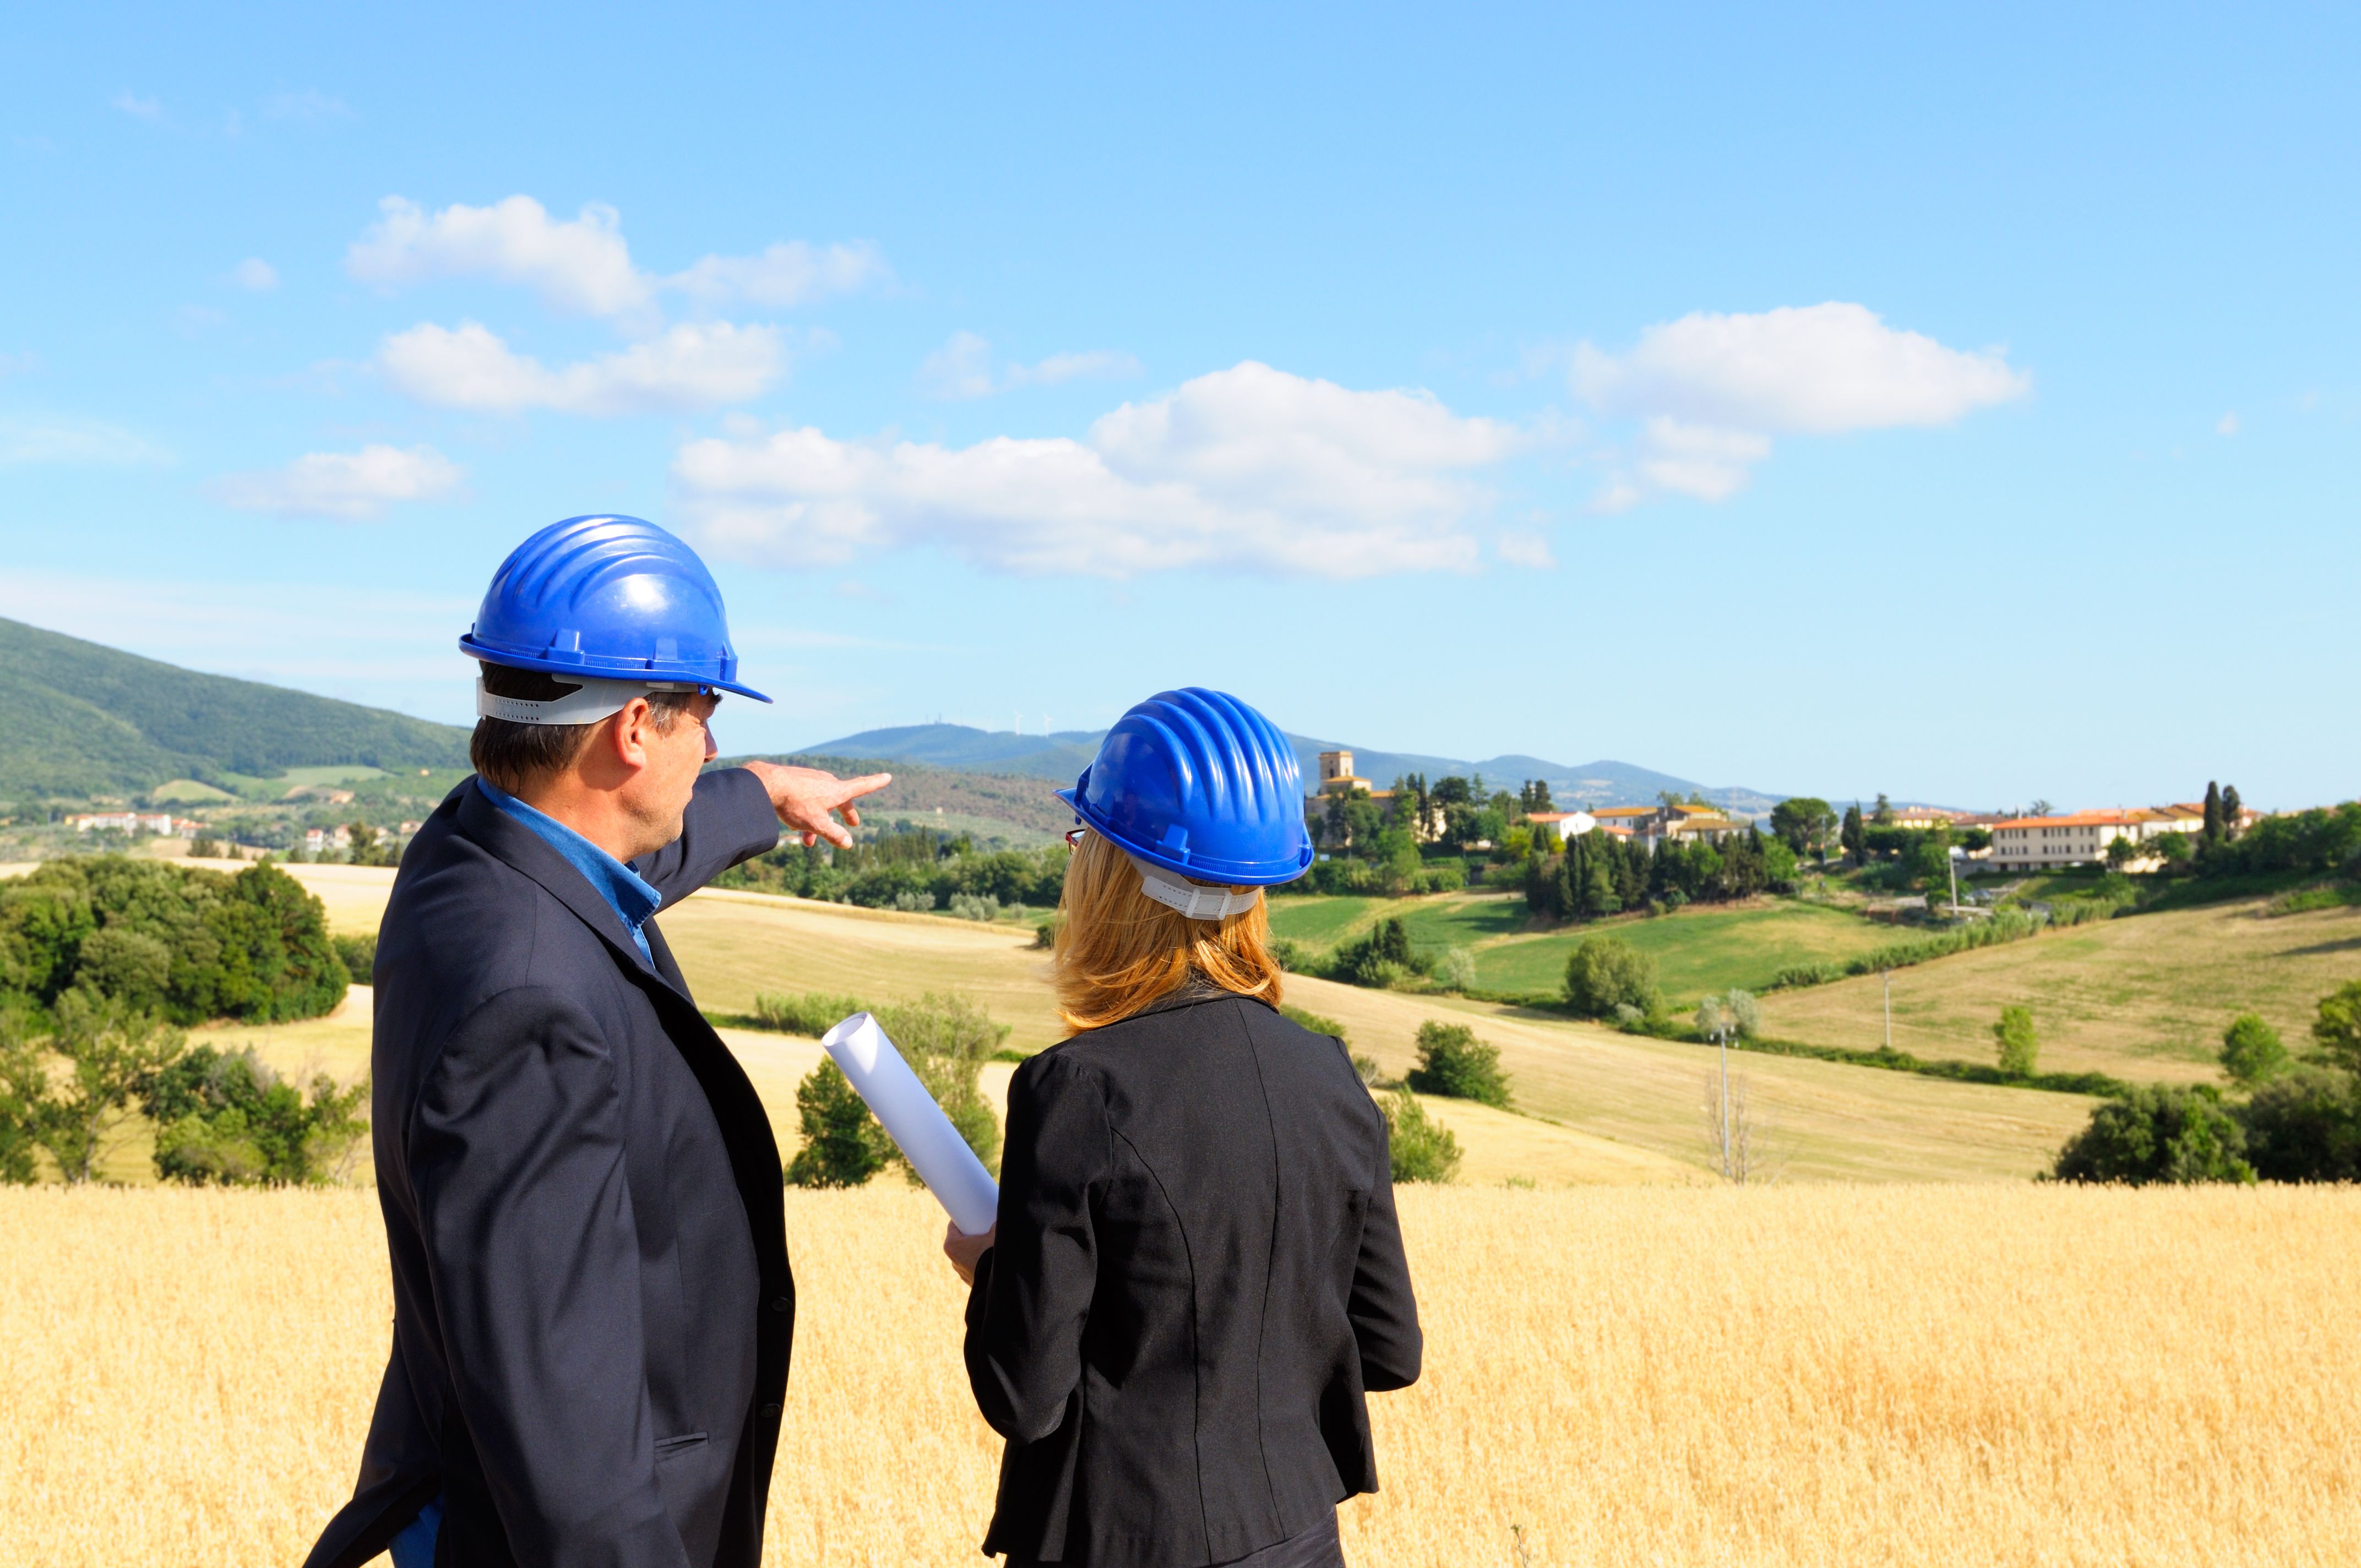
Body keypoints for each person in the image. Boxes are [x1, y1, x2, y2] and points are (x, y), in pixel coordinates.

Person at [303, 515, 890, 1568]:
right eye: (701, 715)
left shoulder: (468, 850)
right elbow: (569, 1445)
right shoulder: (527, 1010)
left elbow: (612, 866)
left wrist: (757, 794)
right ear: (631, 729)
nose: (709, 742)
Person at [945, 688, 1423, 1568]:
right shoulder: (1331, 1076)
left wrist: (991, 1269)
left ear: (1114, 871)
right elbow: (1390, 1351)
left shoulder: (1075, 1089)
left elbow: (1024, 1398)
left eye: (1082, 839)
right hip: (1300, 1541)